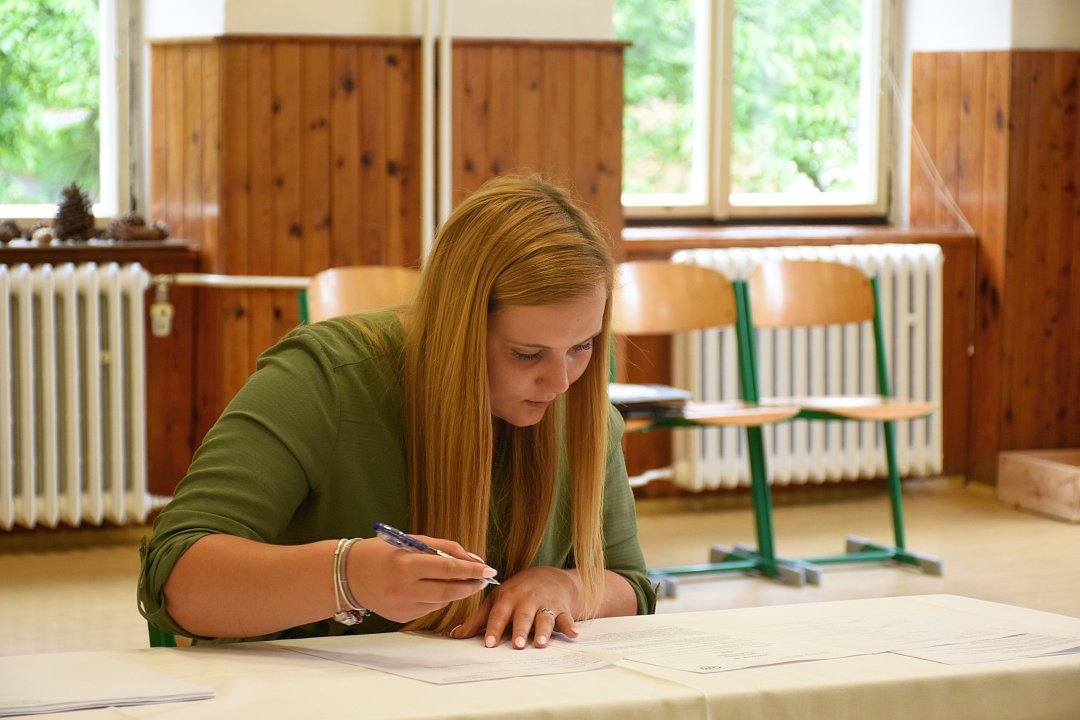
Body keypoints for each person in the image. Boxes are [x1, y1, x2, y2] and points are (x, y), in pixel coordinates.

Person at [138, 174, 657, 649]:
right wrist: (347, 576)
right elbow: (174, 578)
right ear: (457, 329)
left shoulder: (580, 410)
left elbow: (631, 584)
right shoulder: (325, 377)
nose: (561, 382)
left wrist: (564, 585)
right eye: (527, 354)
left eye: (582, 347)